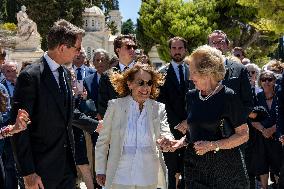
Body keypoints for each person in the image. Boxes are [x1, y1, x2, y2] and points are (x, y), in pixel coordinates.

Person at [10, 19, 84, 189]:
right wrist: (28, 173)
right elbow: (19, 129)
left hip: (66, 169)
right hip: (40, 173)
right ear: (62, 48)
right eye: (77, 48)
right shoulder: (30, 76)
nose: (78, 53)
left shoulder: (65, 73)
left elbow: (67, 114)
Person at [177, 45, 249, 188]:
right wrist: (180, 143)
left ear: (207, 72)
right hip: (195, 169)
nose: (190, 78)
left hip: (225, 170)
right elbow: (196, 131)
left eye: (193, 72)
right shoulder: (191, 96)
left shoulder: (228, 97)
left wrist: (212, 146)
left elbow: (243, 135)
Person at [95, 64, 176, 189]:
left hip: (148, 175)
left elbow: (165, 131)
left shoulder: (158, 108)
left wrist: (167, 140)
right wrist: (100, 169)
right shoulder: (115, 106)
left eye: (149, 83)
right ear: (130, 84)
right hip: (120, 175)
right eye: (140, 82)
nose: (145, 87)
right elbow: (103, 141)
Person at [157, 36, 191, 189]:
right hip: (169, 128)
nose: (177, 51)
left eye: (180, 48)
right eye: (174, 48)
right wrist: (178, 123)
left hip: (191, 128)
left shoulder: (194, 71)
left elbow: (197, 98)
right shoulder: (161, 73)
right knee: (171, 168)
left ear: (185, 50)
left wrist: (188, 122)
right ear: (169, 50)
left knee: (189, 168)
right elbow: (161, 102)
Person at [251, 71, 281, 189]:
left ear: (274, 81)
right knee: (262, 164)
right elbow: (251, 118)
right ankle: (264, 187)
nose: (267, 82)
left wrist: (273, 129)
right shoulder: (257, 97)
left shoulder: (280, 96)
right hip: (260, 137)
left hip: (277, 136)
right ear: (260, 82)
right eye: (263, 79)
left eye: (270, 79)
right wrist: (264, 130)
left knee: (278, 164)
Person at [98, 34, 137, 117]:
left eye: (134, 47)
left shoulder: (143, 72)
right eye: (128, 47)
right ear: (118, 50)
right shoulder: (107, 76)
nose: (132, 49)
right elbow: (103, 105)